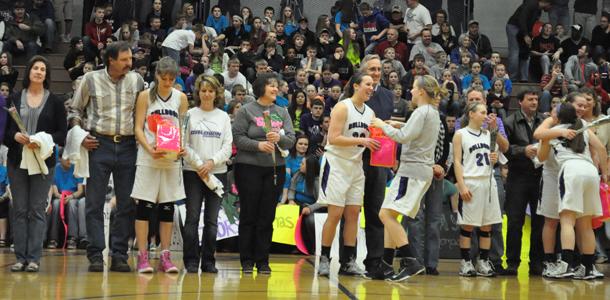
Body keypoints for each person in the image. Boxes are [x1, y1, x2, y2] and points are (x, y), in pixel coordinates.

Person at [69, 41, 146, 273]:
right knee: (93, 203)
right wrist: (80, 135)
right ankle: (95, 254)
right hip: (97, 144)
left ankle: (119, 255)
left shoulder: (137, 81)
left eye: (130, 59)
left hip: (128, 145)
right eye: (124, 60)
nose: (129, 64)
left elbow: (143, 113)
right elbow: (74, 110)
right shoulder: (89, 79)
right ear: (110, 60)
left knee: (126, 204)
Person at [373, 75, 446, 281]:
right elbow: (413, 131)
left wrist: (381, 125)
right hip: (417, 171)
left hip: (412, 172)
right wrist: (397, 124)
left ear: (422, 91)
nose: (411, 91)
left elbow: (403, 137)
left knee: (385, 215)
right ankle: (386, 265)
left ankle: (410, 261)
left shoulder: (421, 111)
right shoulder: (431, 112)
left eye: (414, 88)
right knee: (390, 216)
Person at [5, 56, 67, 272]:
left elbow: (62, 134)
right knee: (20, 210)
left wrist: (41, 140)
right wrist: (15, 137)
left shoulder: (56, 102)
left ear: (46, 75)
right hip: (17, 160)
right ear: (29, 71)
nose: (39, 71)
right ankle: (20, 257)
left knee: (37, 210)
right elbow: (4, 132)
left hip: (43, 162)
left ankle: (33, 258)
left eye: (43, 69)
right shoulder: (13, 98)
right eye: (35, 68)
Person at [232, 73, 296, 274]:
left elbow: (292, 139)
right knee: (249, 214)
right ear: (261, 88)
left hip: (274, 170)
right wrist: (259, 145)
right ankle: (246, 260)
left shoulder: (282, 112)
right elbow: (238, 138)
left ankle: (263, 261)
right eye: (271, 85)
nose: (275, 89)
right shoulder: (246, 111)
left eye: (277, 86)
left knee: (267, 217)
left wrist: (279, 138)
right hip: (248, 168)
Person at [317, 73, 380, 277]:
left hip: (355, 166)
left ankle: (349, 262)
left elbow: (378, 132)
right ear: (356, 86)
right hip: (336, 164)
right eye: (368, 84)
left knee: (353, 215)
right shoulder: (343, 107)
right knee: (335, 214)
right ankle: (325, 259)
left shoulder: (369, 112)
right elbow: (333, 138)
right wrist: (361, 142)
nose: (371, 87)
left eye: (373, 85)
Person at [131, 57, 188, 273]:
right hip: (148, 158)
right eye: (164, 78)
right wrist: (149, 149)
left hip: (171, 160)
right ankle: (143, 256)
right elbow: (138, 128)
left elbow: (182, 128)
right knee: (144, 207)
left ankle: (166, 256)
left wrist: (182, 147)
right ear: (156, 76)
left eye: (171, 79)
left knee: (167, 208)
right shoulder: (145, 96)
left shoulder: (181, 98)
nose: (167, 82)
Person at [539, 102, 607, 279]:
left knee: (567, 220)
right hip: (591, 171)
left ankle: (566, 266)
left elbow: (540, 154)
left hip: (570, 170)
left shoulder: (554, 131)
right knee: (585, 224)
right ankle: (589, 268)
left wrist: (548, 132)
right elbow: (600, 148)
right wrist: (605, 174)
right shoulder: (583, 125)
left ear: (559, 116)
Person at [182, 75, 232, 273]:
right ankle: (191, 261)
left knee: (211, 221)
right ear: (198, 92)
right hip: (192, 173)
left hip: (216, 174)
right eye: (203, 90)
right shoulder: (189, 115)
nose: (207, 94)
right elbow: (183, 144)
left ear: (216, 93)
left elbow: (228, 146)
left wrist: (211, 163)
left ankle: (209, 261)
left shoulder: (223, 117)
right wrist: (199, 164)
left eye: (210, 91)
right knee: (192, 218)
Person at [452, 101, 502, 277]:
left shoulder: (489, 134)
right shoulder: (460, 134)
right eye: (482, 112)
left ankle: (483, 261)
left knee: (487, 226)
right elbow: (457, 161)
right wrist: (462, 185)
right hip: (471, 181)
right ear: (471, 114)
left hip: (488, 183)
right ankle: (465, 262)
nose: (485, 115)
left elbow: (500, 153)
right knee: (468, 226)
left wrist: (494, 158)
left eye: (486, 112)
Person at [357, 54, 394, 279]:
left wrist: (392, 158)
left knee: (376, 212)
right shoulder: (352, 94)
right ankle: (347, 257)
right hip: (355, 158)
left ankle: (375, 261)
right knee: (350, 211)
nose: (376, 73)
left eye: (379, 69)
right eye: (371, 69)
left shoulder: (389, 96)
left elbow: (389, 129)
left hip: (379, 160)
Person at [503, 90, 546, 275]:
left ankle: (536, 262)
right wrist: (522, 150)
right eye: (530, 99)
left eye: (536, 99)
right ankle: (512, 263)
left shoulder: (544, 121)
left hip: (539, 177)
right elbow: (504, 149)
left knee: (539, 222)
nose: (534, 102)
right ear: (520, 102)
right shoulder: (509, 121)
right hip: (517, 176)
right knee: (514, 221)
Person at [48, 150, 86, 250]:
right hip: (60, 196)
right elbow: (55, 191)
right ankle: (53, 238)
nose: (70, 161)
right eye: (67, 158)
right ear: (60, 159)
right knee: (55, 204)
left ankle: (72, 238)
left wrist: (72, 196)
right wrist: (60, 197)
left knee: (73, 204)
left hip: (73, 196)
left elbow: (80, 190)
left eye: (71, 158)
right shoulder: (55, 169)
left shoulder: (76, 168)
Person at [506, 0, 552, 82]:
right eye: (551, 6)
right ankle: (512, 78)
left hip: (524, 30)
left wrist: (529, 36)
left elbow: (530, 24)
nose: (551, 8)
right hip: (514, 26)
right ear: (547, 3)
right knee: (514, 52)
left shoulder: (538, 10)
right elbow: (522, 18)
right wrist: (525, 35)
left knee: (525, 53)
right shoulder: (531, 4)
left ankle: (524, 79)